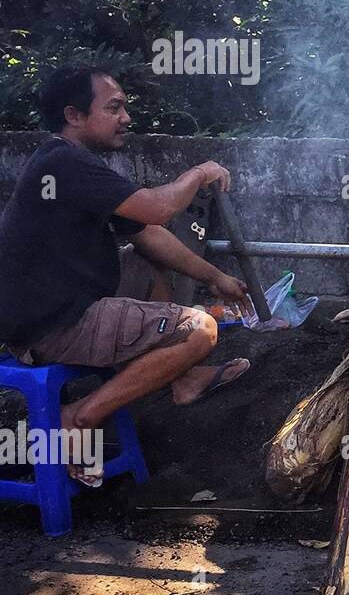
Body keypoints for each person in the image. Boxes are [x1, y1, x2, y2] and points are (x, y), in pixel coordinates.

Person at [0, 65, 253, 485]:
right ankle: (79, 417)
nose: (126, 118)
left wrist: (215, 277)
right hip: (52, 327)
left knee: (145, 260)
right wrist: (198, 173)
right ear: (74, 115)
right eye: (114, 108)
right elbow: (157, 208)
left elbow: (148, 232)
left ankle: (184, 379)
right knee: (201, 329)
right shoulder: (63, 162)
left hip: (58, 310)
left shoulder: (68, 162)